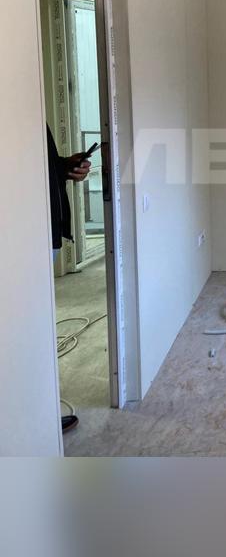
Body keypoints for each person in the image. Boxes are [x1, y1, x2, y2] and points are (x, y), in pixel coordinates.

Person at [46, 125, 92, 434]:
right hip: (23, 233)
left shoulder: (29, 113)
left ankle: (38, 412)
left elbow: (40, 165)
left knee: (34, 327)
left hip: (45, 228)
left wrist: (64, 166)